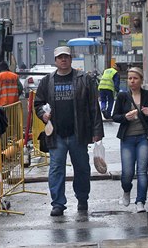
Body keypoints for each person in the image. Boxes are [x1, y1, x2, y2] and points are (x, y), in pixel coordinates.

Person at [34, 46, 104, 216]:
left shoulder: (84, 79)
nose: (63, 60)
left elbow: (93, 107)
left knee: (81, 168)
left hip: (78, 133)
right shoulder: (47, 81)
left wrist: (97, 132)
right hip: (56, 134)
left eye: (66, 57)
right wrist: (43, 114)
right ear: (55, 60)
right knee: (56, 169)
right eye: (60, 57)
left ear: (71, 59)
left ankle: (82, 199)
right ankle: (58, 204)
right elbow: (38, 104)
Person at [111, 67, 148, 213]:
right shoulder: (122, 96)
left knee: (142, 171)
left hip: (144, 138)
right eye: (130, 78)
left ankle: (140, 202)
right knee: (127, 173)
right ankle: (127, 191)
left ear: (141, 80)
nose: (132, 81)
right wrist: (125, 117)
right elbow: (115, 116)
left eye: (135, 78)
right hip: (127, 139)